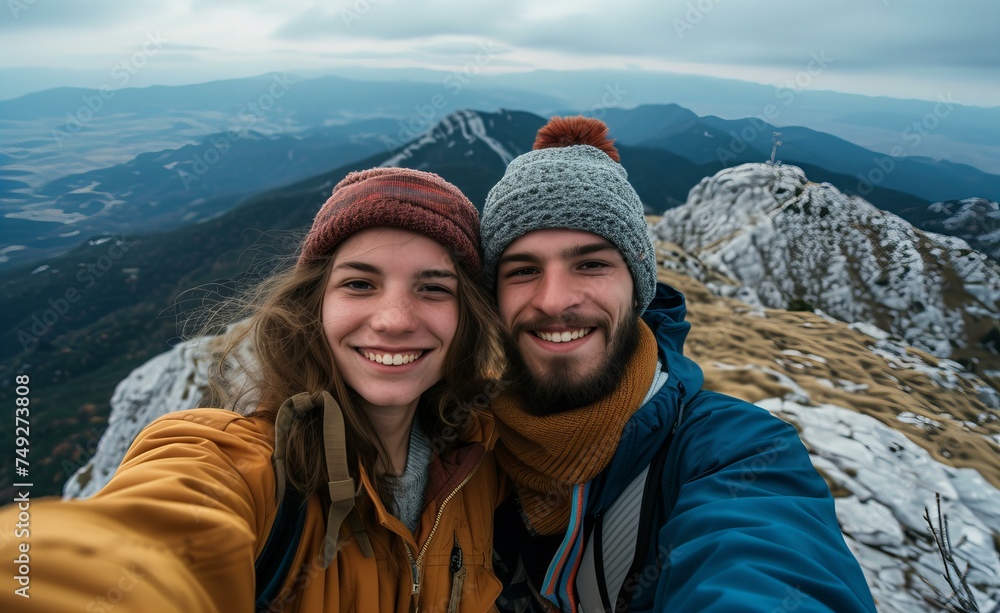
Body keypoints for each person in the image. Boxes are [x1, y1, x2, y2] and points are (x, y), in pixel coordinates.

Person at [0, 167, 507, 612]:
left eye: (435, 287)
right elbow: (140, 548)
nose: (395, 321)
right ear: (313, 306)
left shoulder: (484, 458)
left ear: (469, 319)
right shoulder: (242, 465)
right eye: (359, 284)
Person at [480, 117, 878, 612]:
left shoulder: (736, 453)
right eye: (523, 270)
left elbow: (766, 558)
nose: (554, 300)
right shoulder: (458, 439)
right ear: (492, 299)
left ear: (637, 286)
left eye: (592, 264)